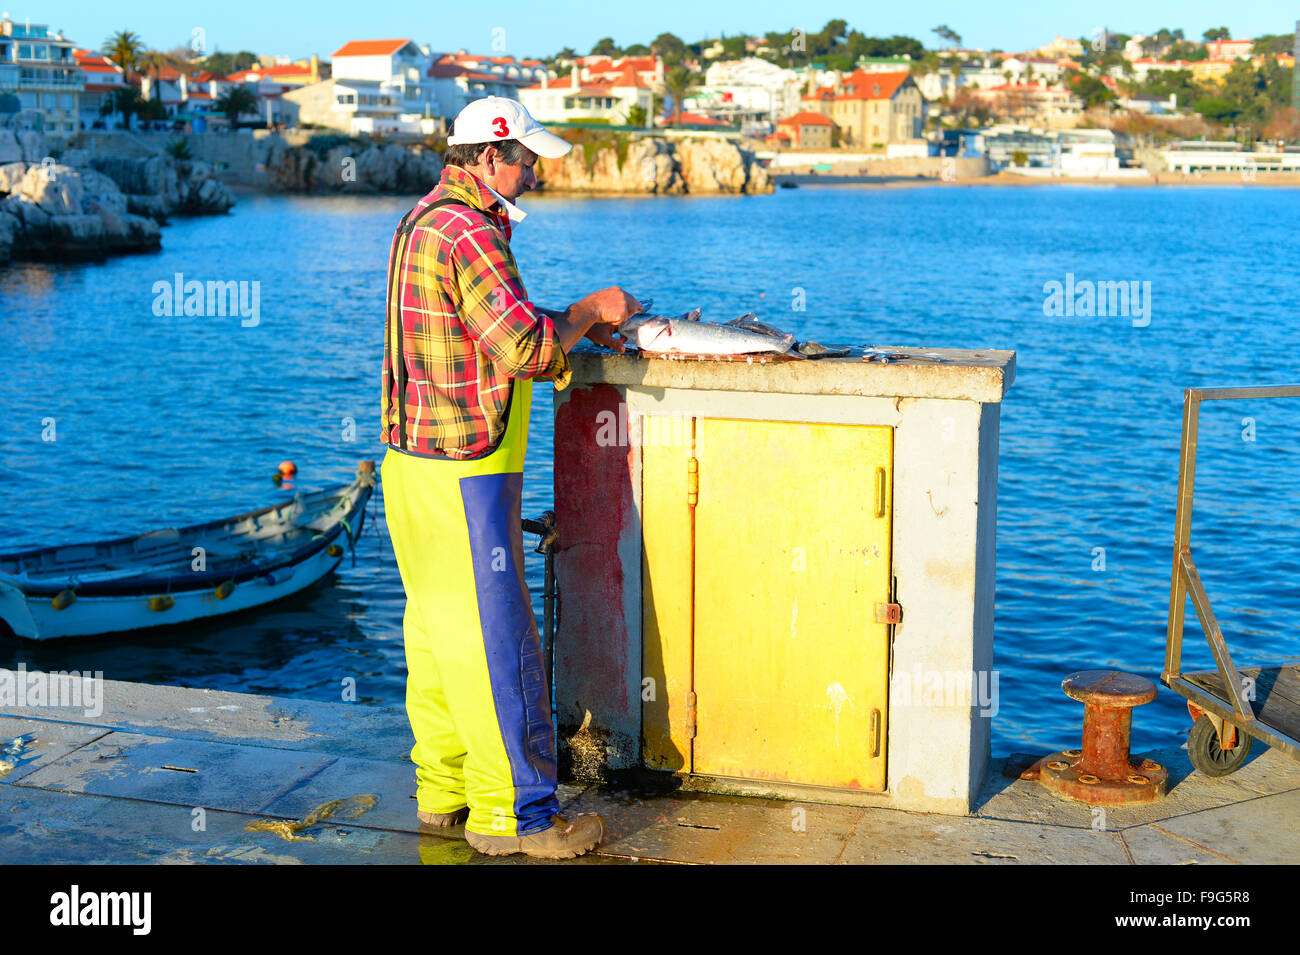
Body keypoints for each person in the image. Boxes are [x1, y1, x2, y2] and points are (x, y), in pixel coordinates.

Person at [380, 96, 639, 859]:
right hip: (471, 469)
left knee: (434, 635)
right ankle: (519, 819)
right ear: (489, 156)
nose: (534, 172)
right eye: (525, 159)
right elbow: (525, 349)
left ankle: (444, 792)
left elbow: (485, 325)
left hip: (410, 463)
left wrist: (569, 319)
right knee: (498, 640)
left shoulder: (423, 220)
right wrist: (595, 308)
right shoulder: (473, 232)